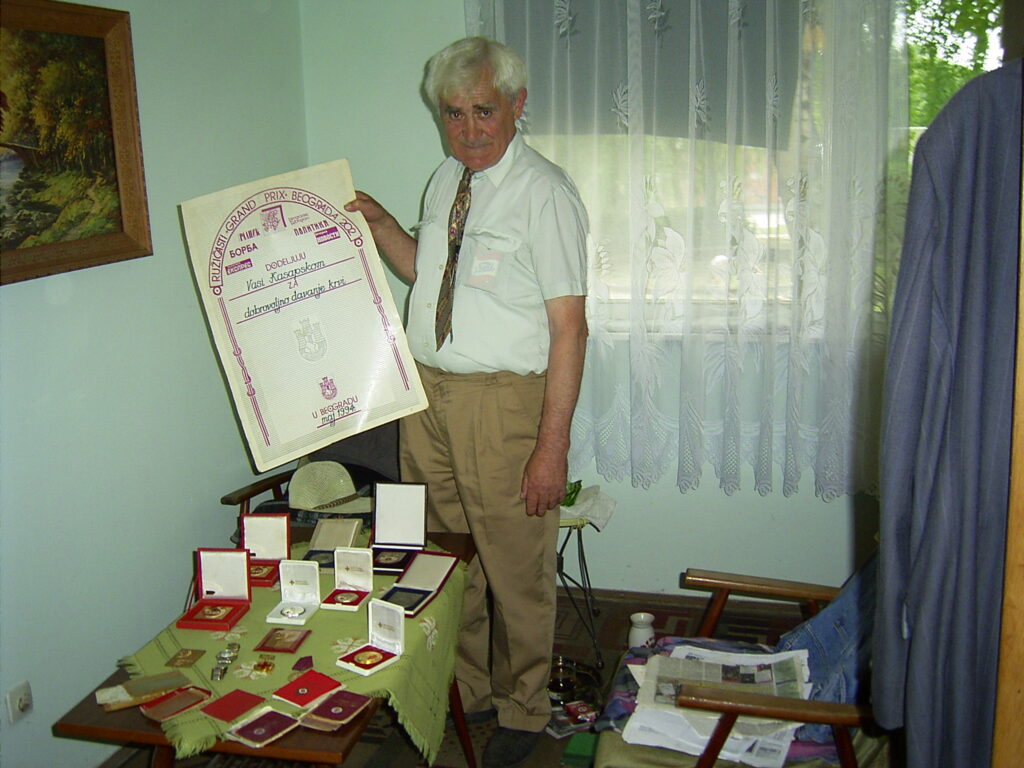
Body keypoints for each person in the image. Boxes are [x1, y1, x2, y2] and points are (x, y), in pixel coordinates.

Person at [345, 36, 588, 768]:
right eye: (454, 113)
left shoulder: (545, 194)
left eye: (484, 110)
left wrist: (551, 447)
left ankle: (524, 709)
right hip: (429, 395)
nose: (469, 128)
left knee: (516, 566)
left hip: (501, 404)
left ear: (517, 105)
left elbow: (570, 328)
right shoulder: (445, 180)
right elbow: (430, 275)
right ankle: (470, 690)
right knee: (448, 557)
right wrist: (384, 229)